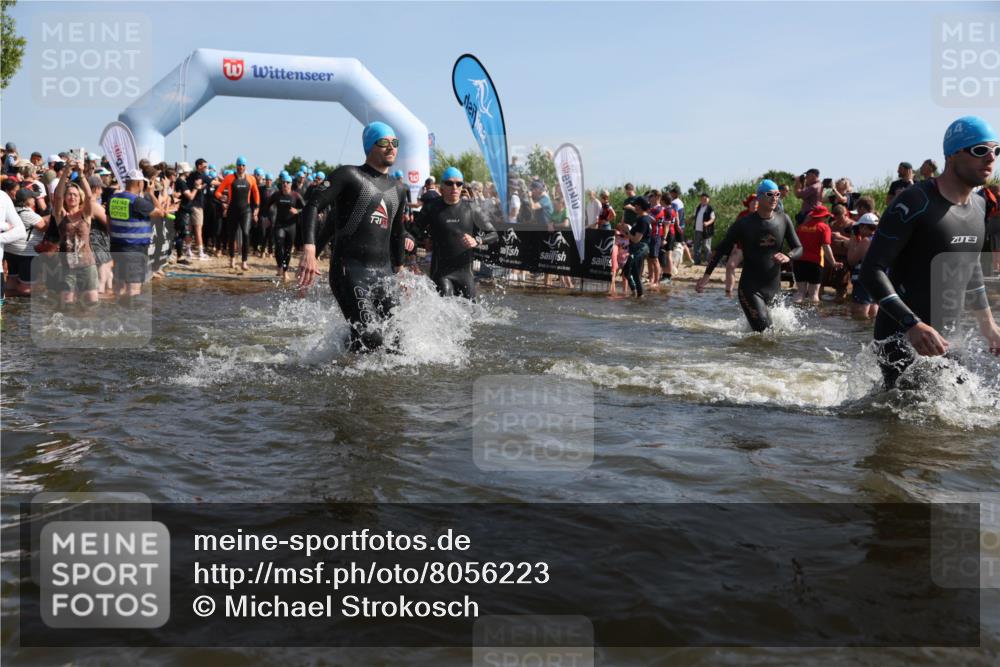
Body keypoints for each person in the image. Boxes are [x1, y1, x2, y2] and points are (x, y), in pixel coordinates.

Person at [859, 115, 1000, 389]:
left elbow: (970, 270)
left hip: (948, 336)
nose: (990, 158)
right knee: (912, 424)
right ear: (952, 155)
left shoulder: (980, 207)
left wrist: (989, 326)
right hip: (902, 335)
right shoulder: (915, 201)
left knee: (961, 421)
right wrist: (913, 324)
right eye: (980, 150)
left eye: (996, 150)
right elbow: (871, 270)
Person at [297, 121, 416, 353]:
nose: (391, 147)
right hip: (349, 271)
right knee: (372, 337)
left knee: (397, 342)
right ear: (370, 146)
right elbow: (312, 206)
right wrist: (310, 251)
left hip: (384, 274)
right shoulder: (349, 175)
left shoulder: (399, 189)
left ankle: (345, 361)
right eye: (383, 142)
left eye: (395, 143)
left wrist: (400, 272)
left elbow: (397, 232)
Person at [696, 180, 803, 331]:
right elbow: (721, 249)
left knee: (776, 334)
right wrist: (706, 276)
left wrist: (789, 256)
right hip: (751, 289)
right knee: (766, 332)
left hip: (774, 288)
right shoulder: (744, 224)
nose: (775, 198)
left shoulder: (783, 219)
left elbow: (799, 248)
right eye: (770, 194)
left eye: (777, 194)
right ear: (759, 197)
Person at [414, 166, 498, 300]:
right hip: (441, 273)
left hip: (465, 274)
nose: (454, 187)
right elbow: (413, 232)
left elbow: (494, 234)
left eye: (458, 183)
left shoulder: (471, 207)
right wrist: (423, 242)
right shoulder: (432, 207)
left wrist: (477, 241)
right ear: (442, 187)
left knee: (473, 315)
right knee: (445, 312)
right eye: (449, 183)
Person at [108, 168, 166, 299]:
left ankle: (116, 314)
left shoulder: (113, 199)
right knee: (133, 289)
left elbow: (108, 223)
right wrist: (151, 194)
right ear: (139, 183)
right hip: (134, 250)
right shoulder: (138, 202)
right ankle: (131, 316)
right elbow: (160, 213)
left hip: (116, 247)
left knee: (119, 286)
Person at [214, 156, 260, 270]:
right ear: (236, 166)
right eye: (239, 165)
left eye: (243, 165)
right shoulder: (229, 178)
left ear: (246, 166)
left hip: (246, 210)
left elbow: (256, 194)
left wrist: (257, 208)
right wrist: (223, 198)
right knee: (232, 235)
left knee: (246, 233)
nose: (241, 167)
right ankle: (232, 259)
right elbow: (217, 192)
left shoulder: (251, 179)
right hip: (232, 210)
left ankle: (244, 261)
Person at [793, 205, 841, 303]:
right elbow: (826, 246)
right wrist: (833, 262)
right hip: (815, 263)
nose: (827, 219)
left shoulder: (801, 227)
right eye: (826, 217)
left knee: (800, 293)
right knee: (814, 294)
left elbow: (794, 245)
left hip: (799, 262)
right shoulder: (824, 228)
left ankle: (794, 314)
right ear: (822, 216)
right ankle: (813, 317)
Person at [264, 175, 305, 282]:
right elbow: (267, 205)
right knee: (278, 246)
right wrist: (267, 217)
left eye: (287, 182)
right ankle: (280, 268)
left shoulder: (295, 195)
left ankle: (285, 270)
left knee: (287, 250)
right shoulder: (277, 195)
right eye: (283, 182)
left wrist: (298, 211)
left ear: (291, 184)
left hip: (291, 226)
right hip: (279, 225)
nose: (285, 184)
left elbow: (306, 208)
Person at [847, 213, 879, 319]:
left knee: (859, 316)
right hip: (878, 280)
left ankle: (859, 335)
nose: (858, 230)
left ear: (864, 226)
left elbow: (852, 260)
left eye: (859, 227)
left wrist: (852, 239)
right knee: (873, 310)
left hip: (864, 281)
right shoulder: (880, 239)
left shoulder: (866, 241)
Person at [621, 195, 652, 299]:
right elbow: (632, 237)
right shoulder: (642, 218)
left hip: (641, 248)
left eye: (636, 206)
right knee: (627, 271)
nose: (634, 207)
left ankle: (640, 295)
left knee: (634, 272)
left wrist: (628, 231)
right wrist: (625, 231)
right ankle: (636, 293)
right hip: (637, 248)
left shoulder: (643, 220)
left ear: (639, 206)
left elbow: (636, 239)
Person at [692, 192, 715, 265]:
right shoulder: (698, 207)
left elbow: (713, 218)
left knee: (707, 246)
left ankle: (708, 261)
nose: (704, 200)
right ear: (700, 199)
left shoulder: (710, 208)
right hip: (697, 229)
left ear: (708, 200)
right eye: (702, 199)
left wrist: (707, 223)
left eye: (705, 199)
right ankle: (697, 261)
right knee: (696, 246)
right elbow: (694, 216)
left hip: (706, 230)